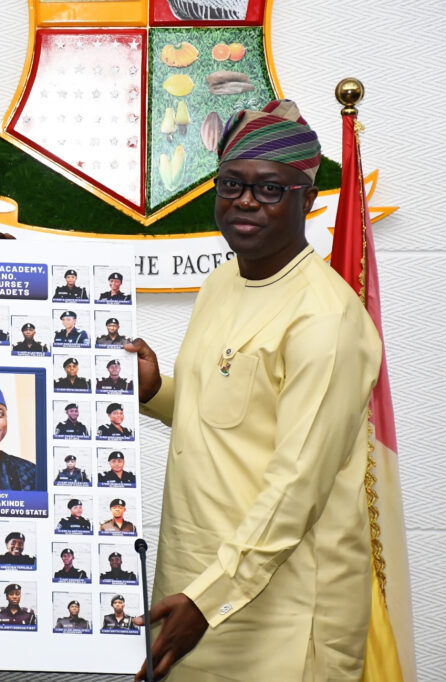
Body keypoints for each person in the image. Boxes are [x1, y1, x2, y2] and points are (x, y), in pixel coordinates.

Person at [127, 100, 382, 681]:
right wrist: (154, 390)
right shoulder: (222, 282)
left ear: (306, 199)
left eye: (269, 189)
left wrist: (208, 600)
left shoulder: (326, 320)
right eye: (232, 184)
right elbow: (230, 415)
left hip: (277, 613)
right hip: (191, 583)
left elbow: (298, 486)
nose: (245, 201)